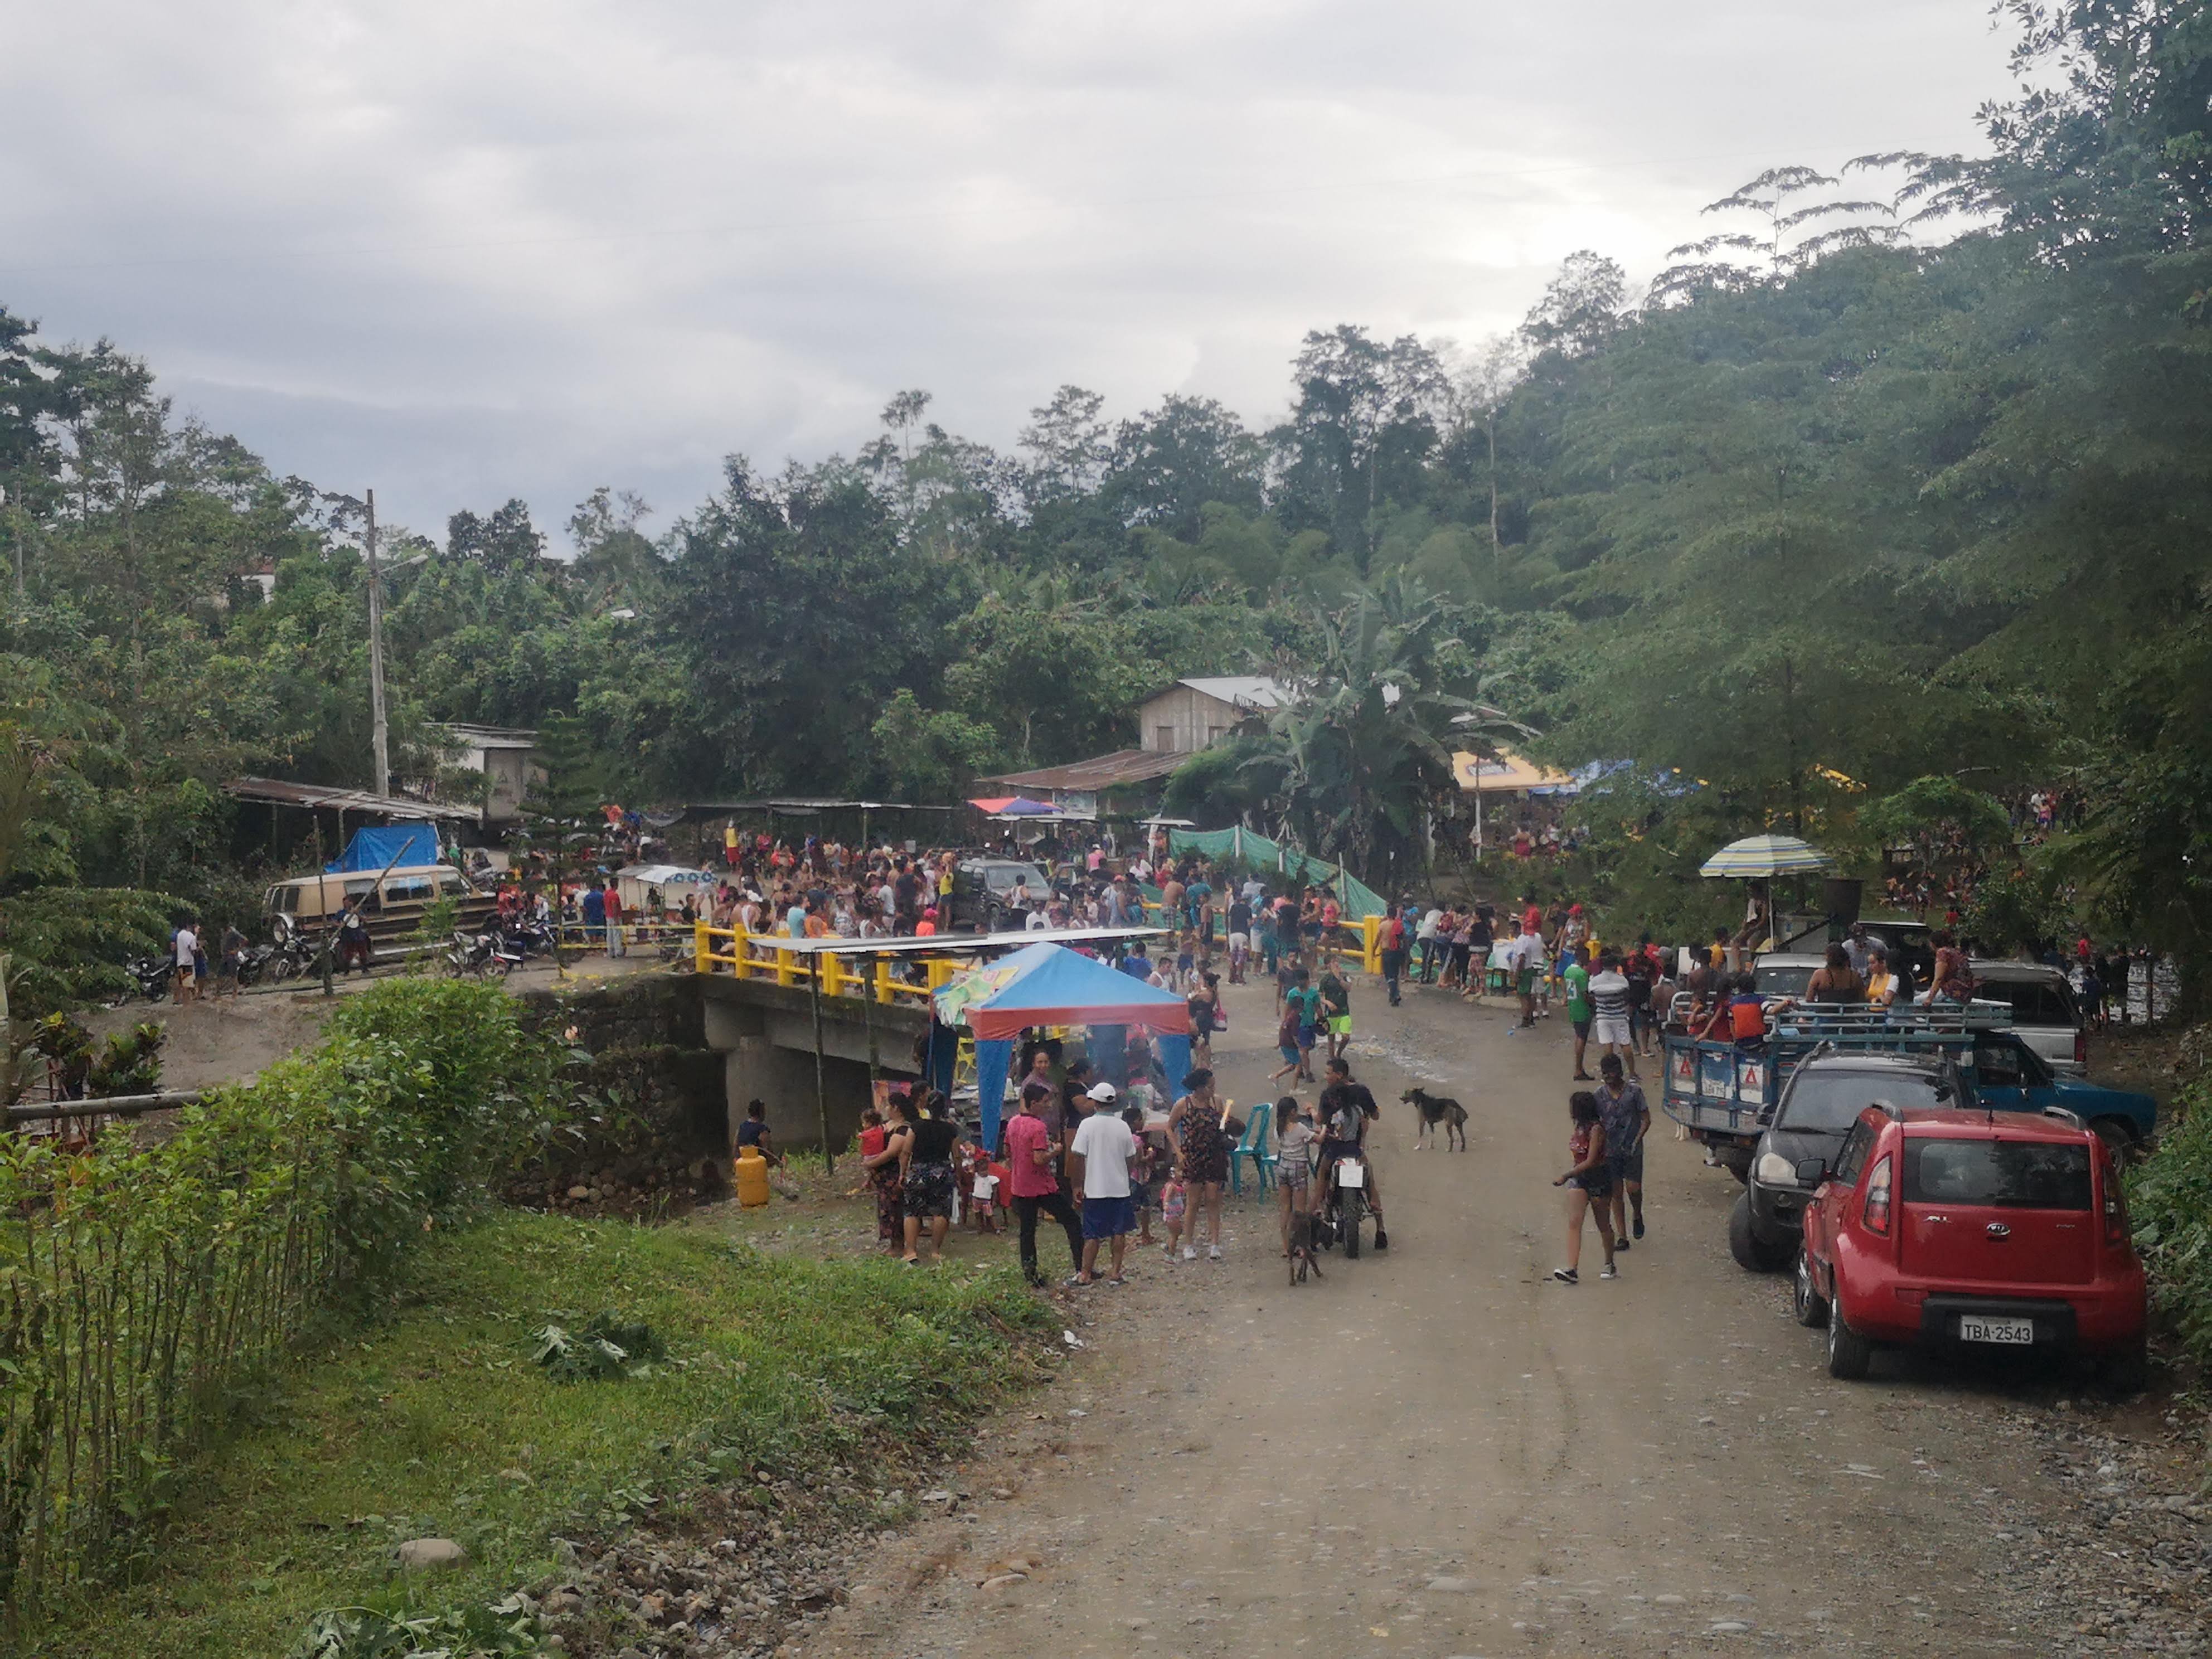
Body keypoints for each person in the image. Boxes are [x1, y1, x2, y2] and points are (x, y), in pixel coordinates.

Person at [1006, 1081, 1083, 1287]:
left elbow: (1007, 1151)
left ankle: (1030, 1275)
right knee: (1072, 1221)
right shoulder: (1038, 1127)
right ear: (1034, 1103)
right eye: (1045, 1102)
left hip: (1020, 1184)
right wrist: (1055, 1152)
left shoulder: (1013, 1123)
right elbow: (1039, 1159)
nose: (1048, 1106)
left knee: (1027, 1231)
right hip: (1041, 1185)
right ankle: (1082, 1266)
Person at [1069, 1090, 1138, 1285]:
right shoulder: (1123, 1126)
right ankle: (1115, 1272)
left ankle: (1085, 1274)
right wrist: (1124, 1175)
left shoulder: (1087, 1125)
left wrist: (1077, 1184)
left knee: (1092, 1234)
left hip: (1095, 1188)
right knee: (1119, 1232)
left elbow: (1077, 1156)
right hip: (1120, 1188)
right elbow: (1131, 1157)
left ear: (1095, 1102)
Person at [1316, 1055, 1386, 1246]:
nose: (1325, 1077)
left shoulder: (1328, 1095)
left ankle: (1319, 1208)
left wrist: (1312, 1113)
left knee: (1322, 1173)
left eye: (1328, 1073)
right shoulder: (1361, 1093)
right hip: (1356, 1149)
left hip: (1333, 1149)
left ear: (1339, 1075)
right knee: (1369, 1179)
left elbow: (1321, 1120)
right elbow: (1375, 1116)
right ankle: (1380, 1227)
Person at [1551, 1090, 1618, 1283]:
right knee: (1574, 1221)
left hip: (1598, 1178)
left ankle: (1609, 1263)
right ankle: (1572, 1268)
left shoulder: (1596, 1130)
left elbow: (1591, 1160)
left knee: (1603, 1224)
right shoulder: (1580, 1127)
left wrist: (1566, 1175)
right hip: (1580, 1178)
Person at [1166, 1068, 1230, 1262]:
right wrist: (1178, 1152)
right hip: (1193, 1157)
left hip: (1215, 1155)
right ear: (1200, 1088)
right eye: (1210, 1087)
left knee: (1213, 1199)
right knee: (1193, 1202)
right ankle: (1188, 1244)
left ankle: (1214, 1243)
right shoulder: (1183, 1104)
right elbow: (1169, 1128)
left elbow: (1223, 1124)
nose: (1213, 1090)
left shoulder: (1216, 1102)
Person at [1594, 1054, 1650, 1245]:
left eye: (1609, 1072)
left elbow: (1646, 1119)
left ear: (1619, 1072)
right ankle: (1622, 1236)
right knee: (1616, 1194)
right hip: (1610, 1151)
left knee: (1634, 1189)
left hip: (1632, 1149)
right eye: (1604, 1073)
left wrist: (1637, 1140)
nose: (1606, 1077)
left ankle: (1637, 1214)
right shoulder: (1599, 1095)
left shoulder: (1635, 1092)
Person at [900, 1090, 959, 1265]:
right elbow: (957, 1156)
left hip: (918, 1173)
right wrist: (958, 1175)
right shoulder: (951, 1129)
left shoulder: (916, 1126)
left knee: (912, 1211)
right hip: (942, 1173)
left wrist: (903, 1173)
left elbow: (906, 1152)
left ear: (927, 1106)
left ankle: (911, 1251)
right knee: (941, 1212)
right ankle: (935, 1251)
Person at [1274, 1094, 1318, 1267]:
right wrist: (1323, 1130)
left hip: (1283, 1166)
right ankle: (1301, 1248)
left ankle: (1286, 1247)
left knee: (1285, 1208)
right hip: (1298, 1168)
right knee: (1300, 1212)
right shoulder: (1300, 1128)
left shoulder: (1278, 1129)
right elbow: (1318, 1140)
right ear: (1292, 1112)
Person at [860, 1105, 906, 1251]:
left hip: (888, 1175)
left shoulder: (900, 1130)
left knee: (892, 1210)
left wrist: (869, 1165)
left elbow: (891, 1154)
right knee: (887, 1209)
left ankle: (896, 1244)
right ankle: (892, 1243)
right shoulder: (884, 1129)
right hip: (882, 1176)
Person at [1587, 951, 1636, 1076]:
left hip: (1603, 1017)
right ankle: (1632, 1073)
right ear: (1615, 965)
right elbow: (1627, 998)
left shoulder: (1594, 981)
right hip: (1620, 1016)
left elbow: (1591, 997)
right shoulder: (1622, 980)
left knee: (1608, 1045)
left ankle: (1609, 1074)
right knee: (1625, 1044)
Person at [1563, 943, 1594, 1079]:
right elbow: (1585, 994)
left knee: (1578, 1036)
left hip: (1573, 1006)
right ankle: (1579, 1069)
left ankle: (1579, 1068)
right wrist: (1594, 1005)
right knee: (1582, 1038)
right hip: (1582, 1009)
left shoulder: (1568, 971)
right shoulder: (1581, 974)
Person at [1318, 962, 1352, 1061]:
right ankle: (1332, 1059)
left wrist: (1339, 978)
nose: (1337, 966)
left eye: (1338, 964)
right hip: (1331, 1013)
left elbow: (1348, 988)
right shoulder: (1325, 980)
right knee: (1331, 1038)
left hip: (1344, 1012)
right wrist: (1328, 1003)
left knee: (1346, 1037)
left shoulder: (1345, 976)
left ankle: (1339, 1053)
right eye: (1334, 964)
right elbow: (1320, 996)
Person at [735, 1098, 782, 1167]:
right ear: (761, 1112)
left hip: (742, 1165)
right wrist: (778, 1162)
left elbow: (736, 1147)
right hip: (757, 1166)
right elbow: (767, 1151)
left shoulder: (741, 1127)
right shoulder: (762, 1130)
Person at [1379, 904, 1408, 1007]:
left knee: (1389, 975)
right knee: (1395, 975)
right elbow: (1404, 939)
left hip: (1387, 951)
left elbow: (1377, 940)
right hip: (1397, 952)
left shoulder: (1383, 925)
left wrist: (1373, 951)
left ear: (1387, 914)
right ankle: (1395, 995)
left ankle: (1394, 995)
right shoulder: (1399, 925)